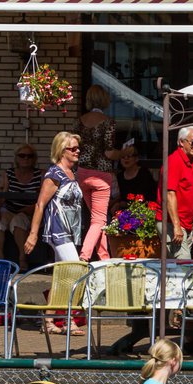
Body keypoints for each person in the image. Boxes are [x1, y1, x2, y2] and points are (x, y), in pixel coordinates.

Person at [74, 85, 121, 261]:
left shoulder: (78, 121)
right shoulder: (108, 122)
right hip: (101, 174)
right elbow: (109, 153)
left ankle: (104, 256)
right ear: (105, 100)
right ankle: (84, 256)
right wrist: (124, 152)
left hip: (82, 173)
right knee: (99, 220)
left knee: (96, 219)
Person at [24, 131, 83, 265]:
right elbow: (40, 204)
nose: (77, 151)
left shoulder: (72, 173)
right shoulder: (54, 174)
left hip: (71, 231)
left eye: (78, 148)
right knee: (76, 268)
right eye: (73, 149)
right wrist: (33, 234)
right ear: (62, 151)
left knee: (63, 274)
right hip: (58, 230)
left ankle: (56, 287)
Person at [0, 144, 43, 270]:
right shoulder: (8, 174)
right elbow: (0, 196)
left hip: (30, 212)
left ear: (34, 159)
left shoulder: (40, 175)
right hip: (9, 209)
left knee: (18, 220)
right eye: (22, 155)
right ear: (16, 158)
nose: (26, 158)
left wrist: (32, 208)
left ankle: (22, 258)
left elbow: (43, 199)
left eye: (29, 156)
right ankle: (1, 258)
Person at [164, 126, 193, 260]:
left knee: (179, 266)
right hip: (172, 223)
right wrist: (177, 226)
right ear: (181, 142)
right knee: (183, 265)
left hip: (187, 224)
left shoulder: (192, 163)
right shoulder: (174, 161)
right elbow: (169, 195)